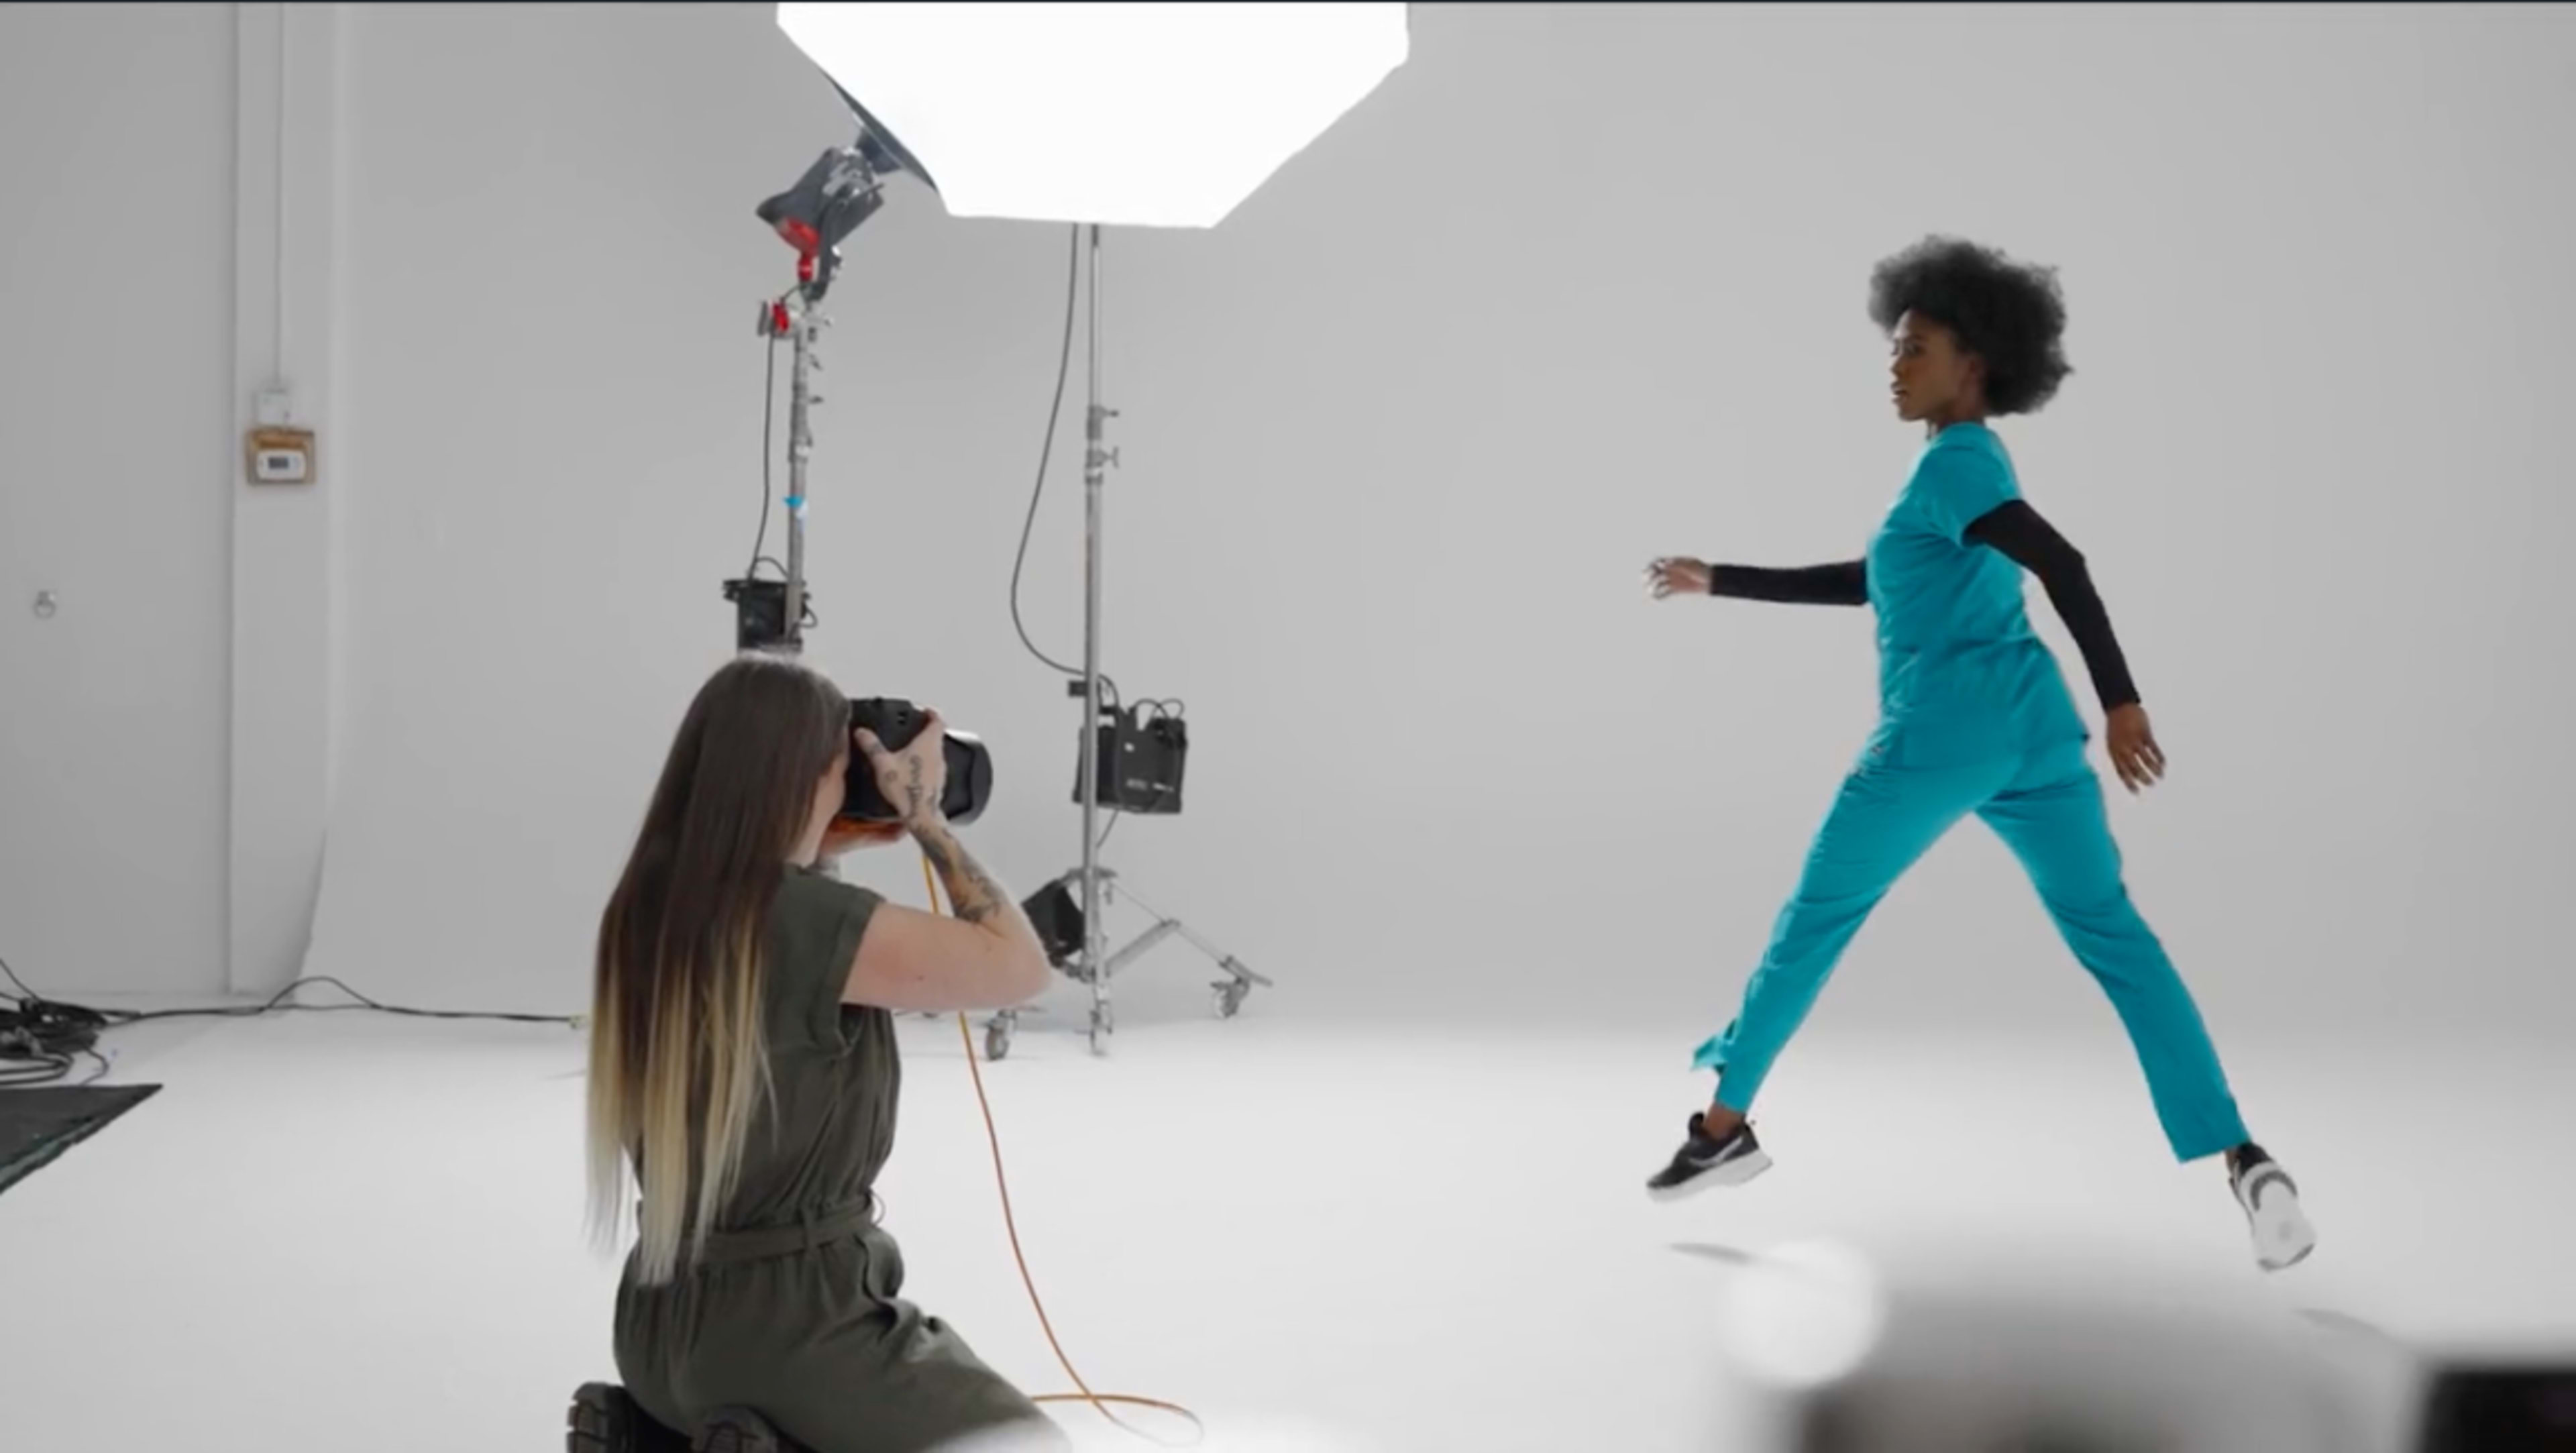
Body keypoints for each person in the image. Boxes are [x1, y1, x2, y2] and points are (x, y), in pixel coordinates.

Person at [1638, 235, 2316, 1273]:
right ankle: (2248, 1160)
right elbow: (1873, 581)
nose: (1895, 362)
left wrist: (2127, 699)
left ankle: (1722, 1134)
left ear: (1977, 365)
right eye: (1894, 347)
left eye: (1918, 346)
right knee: (2116, 938)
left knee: (1815, 921)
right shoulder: (1960, 476)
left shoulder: (1957, 464)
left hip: (1941, 735)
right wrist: (1717, 577)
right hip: (2033, 737)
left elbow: (2062, 559)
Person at [568, 653, 1070, 1453]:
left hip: (655, 1330)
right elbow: (1021, 967)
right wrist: (925, 819)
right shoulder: (807, 922)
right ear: (804, 779)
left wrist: (834, 822)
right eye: (842, 770)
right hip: (796, 1334)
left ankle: (670, 1437)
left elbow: (786, 897)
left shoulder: (651, 906)